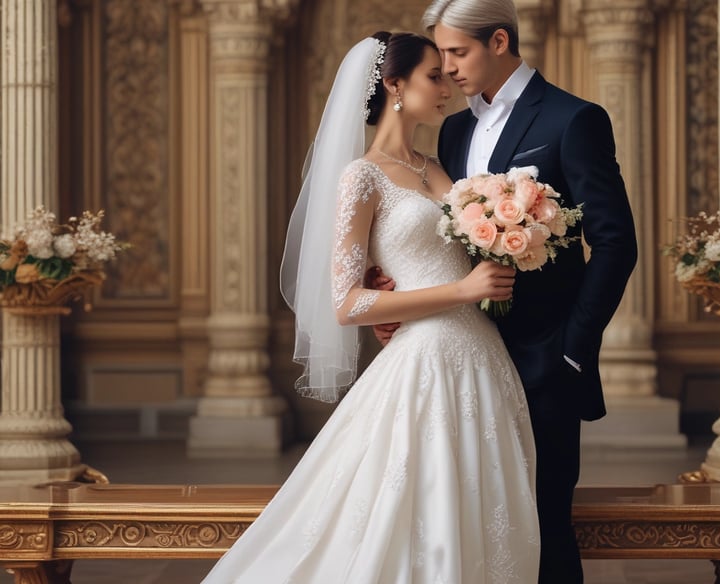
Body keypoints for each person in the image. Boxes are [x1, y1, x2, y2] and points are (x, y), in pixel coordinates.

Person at [201, 31, 540, 583]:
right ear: (393, 85)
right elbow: (347, 302)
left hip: (482, 355)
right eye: (434, 75)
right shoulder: (361, 176)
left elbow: (443, 256)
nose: (448, 84)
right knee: (415, 507)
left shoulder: (437, 167)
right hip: (424, 361)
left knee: (485, 507)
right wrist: (460, 292)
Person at [419, 1, 637, 582]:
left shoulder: (572, 118)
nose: (446, 68)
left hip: (545, 362)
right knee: (470, 523)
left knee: (545, 525)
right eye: (439, 55)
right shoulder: (454, 129)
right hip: (461, 358)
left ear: (497, 41)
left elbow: (616, 243)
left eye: (456, 53)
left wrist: (572, 347)